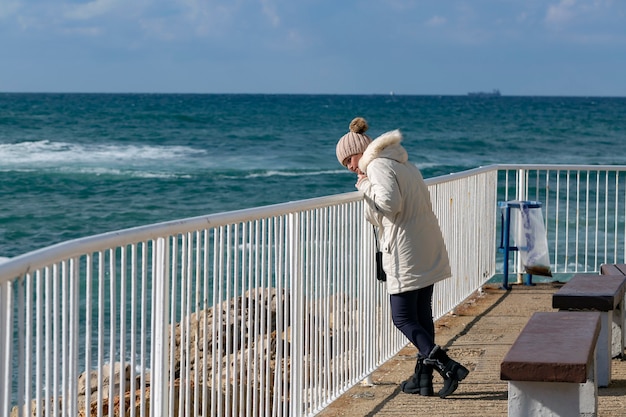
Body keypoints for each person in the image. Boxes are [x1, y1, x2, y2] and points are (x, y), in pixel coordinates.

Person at [335, 117, 469, 398]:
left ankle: (448, 366)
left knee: (403, 317)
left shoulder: (377, 166)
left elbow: (390, 205)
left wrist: (364, 187)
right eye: (344, 162)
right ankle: (422, 380)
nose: (349, 166)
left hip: (405, 249)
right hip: (425, 242)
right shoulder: (403, 163)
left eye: (350, 157)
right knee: (421, 314)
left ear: (364, 149)